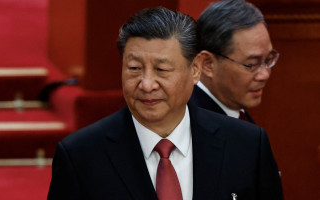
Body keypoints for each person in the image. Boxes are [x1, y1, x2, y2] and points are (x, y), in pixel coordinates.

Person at [47, 7, 283, 200]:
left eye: (162, 70)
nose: (147, 84)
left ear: (195, 70)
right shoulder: (81, 156)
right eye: (134, 69)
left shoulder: (248, 146)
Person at [190, 0, 280, 123]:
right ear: (207, 64)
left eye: (268, 59)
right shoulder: (188, 123)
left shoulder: (237, 114)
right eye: (252, 64)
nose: (265, 74)